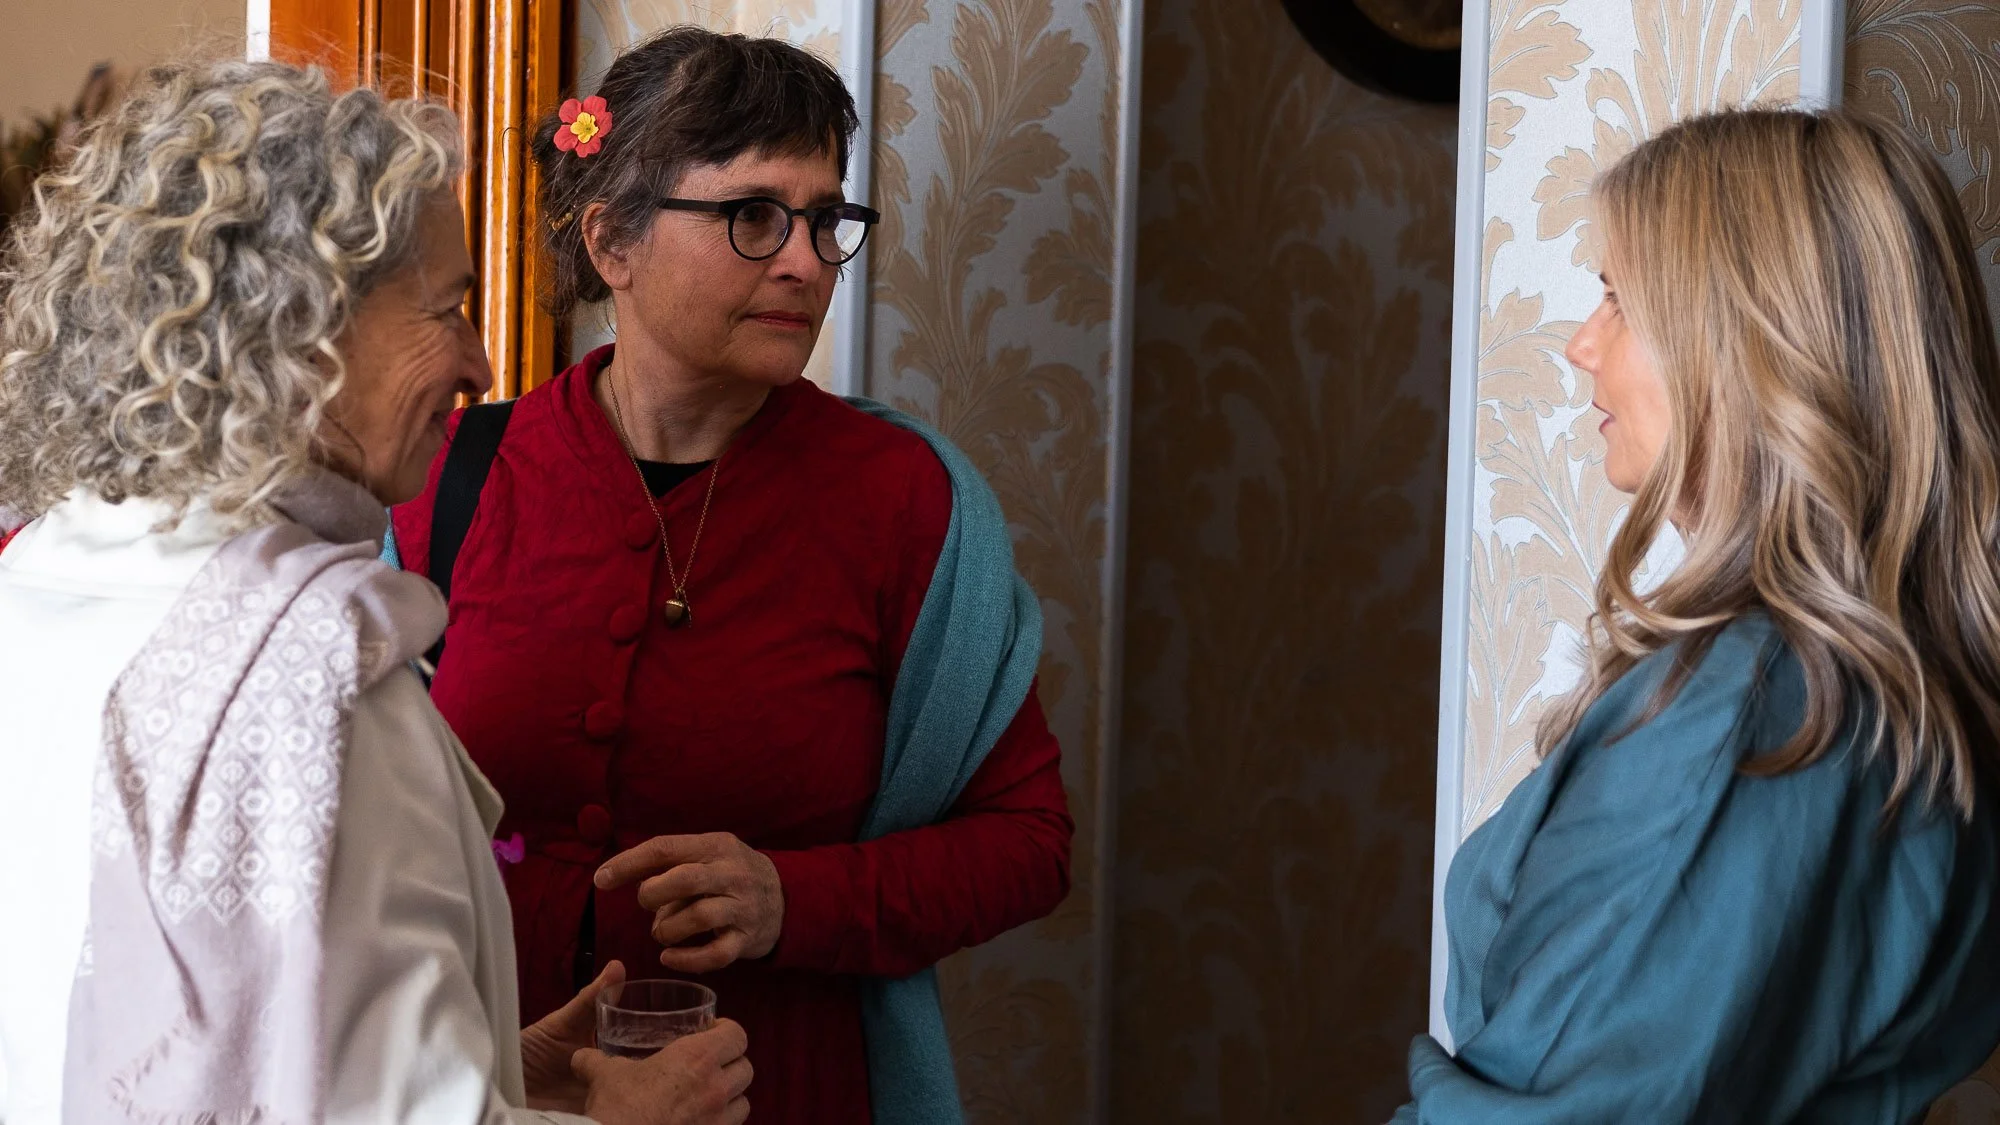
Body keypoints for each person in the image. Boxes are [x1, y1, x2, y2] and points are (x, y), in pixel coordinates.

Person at [0, 58, 752, 1125]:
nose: (481, 366)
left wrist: (496, 1064)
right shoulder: (311, 674)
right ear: (296, 331)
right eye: (447, 309)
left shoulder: (40, 575)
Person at [387, 26, 1073, 1125]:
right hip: (485, 1093)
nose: (804, 261)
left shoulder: (905, 500)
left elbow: (1028, 842)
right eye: (753, 215)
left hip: (785, 1094)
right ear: (612, 240)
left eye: (824, 220)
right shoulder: (445, 476)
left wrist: (792, 898)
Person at [1395, 107, 2000, 1122]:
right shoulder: (1862, 676)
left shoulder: (1759, 713)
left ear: (1753, 344)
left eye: (1620, 300)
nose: (1581, 346)